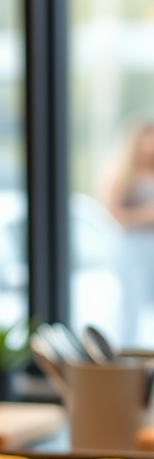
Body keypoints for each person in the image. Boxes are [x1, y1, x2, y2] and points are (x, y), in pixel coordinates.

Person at [99, 119, 154, 345]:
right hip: (130, 246)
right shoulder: (122, 172)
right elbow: (113, 215)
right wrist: (148, 214)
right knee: (130, 304)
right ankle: (128, 353)